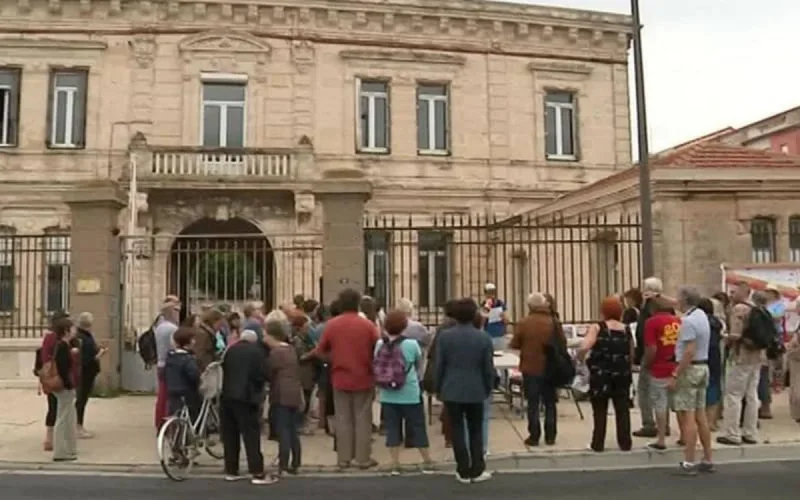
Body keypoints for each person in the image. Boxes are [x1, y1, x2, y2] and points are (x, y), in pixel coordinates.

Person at [305, 289, 379, 470]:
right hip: (364, 375)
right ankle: (362, 458)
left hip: (340, 376)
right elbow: (378, 348)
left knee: (343, 418)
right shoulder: (367, 325)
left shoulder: (332, 325)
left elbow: (320, 351)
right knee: (363, 418)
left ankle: (344, 458)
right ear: (357, 303)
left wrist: (333, 359)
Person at [435, 298, 495, 484]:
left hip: (451, 388)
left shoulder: (445, 337)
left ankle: (462, 469)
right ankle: (477, 468)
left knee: (457, 430)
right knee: (476, 430)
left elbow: (440, 365)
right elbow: (488, 367)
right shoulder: (483, 338)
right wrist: (488, 387)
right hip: (476, 388)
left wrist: (438, 387)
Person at [375, 310, 434, 475]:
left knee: (392, 428)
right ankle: (427, 460)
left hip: (388, 393)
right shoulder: (411, 344)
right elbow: (418, 365)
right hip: (409, 391)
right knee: (417, 426)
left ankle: (395, 462)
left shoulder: (380, 344)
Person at [220, 329, 276, 485]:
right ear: (254, 340)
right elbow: (263, 374)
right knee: (251, 435)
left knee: (230, 435)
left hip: (227, 396)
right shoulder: (257, 353)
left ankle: (231, 470)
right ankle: (257, 471)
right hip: (247, 397)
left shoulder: (230, 351)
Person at [579, 296, 633, 453]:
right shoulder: (626, 329)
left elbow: (585, 346)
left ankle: (598, 443)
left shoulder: (598, 327)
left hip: (601, 374)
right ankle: (625, 443)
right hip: (621, 373)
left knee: (600, 409)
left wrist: (581, 358)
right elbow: (631, 352)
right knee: (622, 409)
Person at [671, 286, 714, 475]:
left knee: (688, 416)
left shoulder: (688, 322)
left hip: (690, 369)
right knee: (701, 415)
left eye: (678, 298)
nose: (676, 301)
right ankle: (708, 457)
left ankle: (689, 460)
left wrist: (676, 374)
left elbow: (689, 351)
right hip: (703, 367)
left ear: (684, 300)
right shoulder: (701, 315)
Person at [510, 292, 560, 447]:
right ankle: (550, 435)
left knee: (533, 402)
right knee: (550, 402)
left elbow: (515, 343)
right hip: (550, 367)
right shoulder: (553, 322)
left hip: (531, 367)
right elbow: (562, 342)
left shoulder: (524, 323)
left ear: (530, 306)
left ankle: (534, 435)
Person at [718, 282, 764, 446]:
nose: (731, 294)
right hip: (757, 356)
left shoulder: (739, 309)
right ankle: (750, 432)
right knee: (752, 394)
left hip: (741, 356)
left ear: (744, 292)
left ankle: (732, 433)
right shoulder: (757, 309)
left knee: (733, 395)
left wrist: (723, 335)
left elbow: (735, 335)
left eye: (734, 291)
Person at [641, 297, 679, 450]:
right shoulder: (678, 321)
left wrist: (647, 364)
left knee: (660, 403)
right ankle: (684, 436)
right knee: (679, 404)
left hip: (659, 367)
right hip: (676, 366)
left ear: (652, 309)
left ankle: (661, 438)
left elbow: (652, 348)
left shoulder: (651, 322)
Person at [266, 321, 304, 475]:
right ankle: (296, 462)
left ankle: (283, 464)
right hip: (294, 393)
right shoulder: (290, 350)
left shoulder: (276, 352)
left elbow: (269, 372)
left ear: (272, 336)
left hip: (281, 394)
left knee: (283, 430)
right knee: (293, 429)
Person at [633, 277, 667, 439]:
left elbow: (643, 333)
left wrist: (642, 357)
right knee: (662, 393)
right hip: (666, 354)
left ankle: (649, 424)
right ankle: (664, 425)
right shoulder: (667, 307)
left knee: (645, 390)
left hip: (651, 353)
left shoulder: (649, 309)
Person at [39, 310, 71, 451]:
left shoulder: (48, 338)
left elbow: (44, 356)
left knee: (52, 406)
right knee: (60, 408)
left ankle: (49, 437)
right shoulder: (61, 339)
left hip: (49, 375)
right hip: (58, 375)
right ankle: (58, 438)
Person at [51, 317, 79, 462]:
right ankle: (60, 451)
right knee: (63, 418)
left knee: (68, 417)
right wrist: (68, 385)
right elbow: (63, 368)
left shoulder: (66, 345)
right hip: (64, 387)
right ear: (66, 331)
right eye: (72, 328)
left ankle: (68, 448)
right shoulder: (62, 346)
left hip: (67, 386)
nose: (75, 330)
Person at [75, 312, 106, 439]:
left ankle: (78, 425)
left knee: (82, 399)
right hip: (85, 372)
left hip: (87, 372)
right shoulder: (83, 337)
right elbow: (86, 359)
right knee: (81, 399)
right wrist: (99, 354)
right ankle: (78, 426)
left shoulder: (84, 335)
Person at [163, 326, 202, 421]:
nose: (194, 341)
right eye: (192, 339)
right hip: (187, 392)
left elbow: (164, 374)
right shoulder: (188, 359)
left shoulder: (170, 357)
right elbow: (194, 375)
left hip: (173, 390)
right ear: (188, 342)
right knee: (193, 413)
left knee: (175, 412)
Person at [699, 298, 724, 432]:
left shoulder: (699, 322)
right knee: (714, 389)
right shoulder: (717, 323)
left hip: (702, 356)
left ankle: (703, 422)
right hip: (715, 357)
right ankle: (711, 422)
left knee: (702, 391)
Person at [154, 301, 180, 430]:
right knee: (168, 396)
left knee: (161, 395)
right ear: (171, 312)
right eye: (176, 310)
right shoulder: (172, 328)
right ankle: (167, 423)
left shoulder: (160, 327)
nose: (178, 314)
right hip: (169, 364)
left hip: (160, 362)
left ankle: (159, 421)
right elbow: (175, 346)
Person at [195, 308, 224, 372]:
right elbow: (200, 354)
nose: (220, 327)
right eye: (219, 324)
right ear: (213, 321)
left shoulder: (208, 334)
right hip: (205, 370)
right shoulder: (202, 334)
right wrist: (207, 368)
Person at [481, 283, 508, 350]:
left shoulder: (500, 303)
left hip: (499, 332)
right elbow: (482, 321)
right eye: (489, 292)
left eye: (492, 292)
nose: (491, 295)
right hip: (489, 333)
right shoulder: (484, 304)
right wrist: (486, 312)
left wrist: (502, 316)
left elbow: (506, 320)